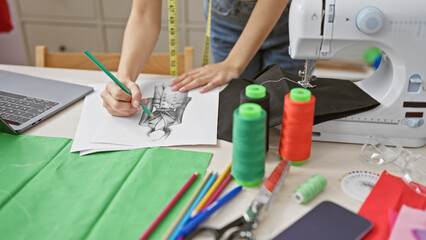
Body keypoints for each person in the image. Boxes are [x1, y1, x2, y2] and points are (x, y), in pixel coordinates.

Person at [101, 0, 305, 117]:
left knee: (282, 113)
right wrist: (125, 77)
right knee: (236, 110)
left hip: (292, 14)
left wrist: (233, 63)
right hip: (227, 13)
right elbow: (144, 13)